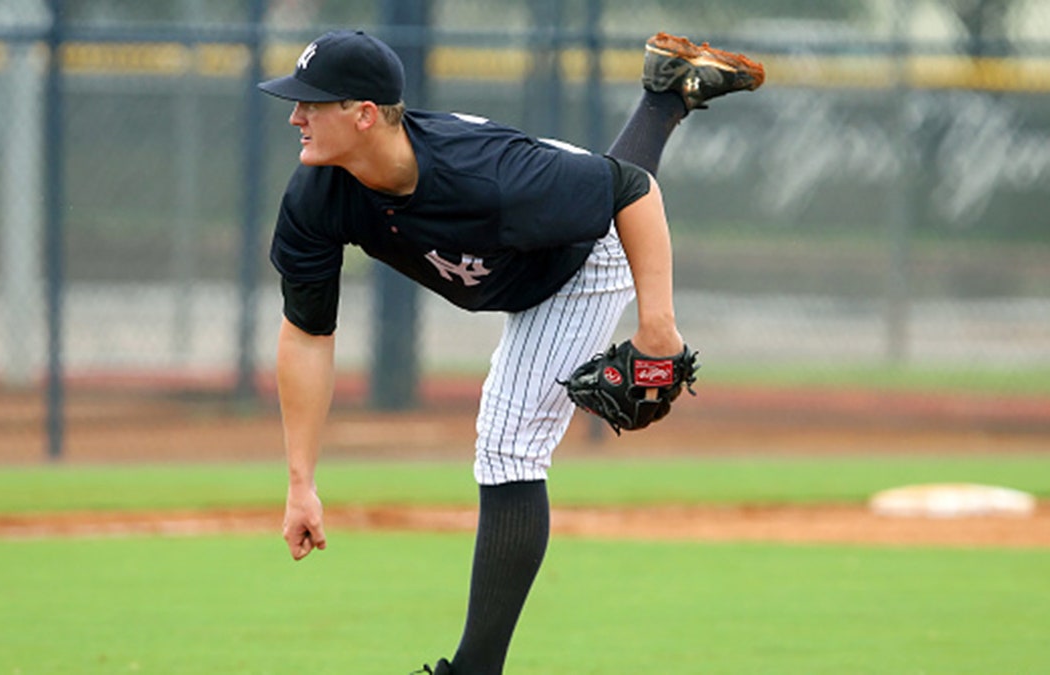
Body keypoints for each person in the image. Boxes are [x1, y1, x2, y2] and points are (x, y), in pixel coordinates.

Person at [257, 29, 764, 674]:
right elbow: (306, 335)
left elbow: (630, 190)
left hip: (577, 263)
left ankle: (476, 670)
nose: (296, 115)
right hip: (538, 231)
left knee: (508, 444)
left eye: (311, 103)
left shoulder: (487, 178)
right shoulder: (316, 196)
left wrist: (657, 331)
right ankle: (666, 96)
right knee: (512, 425)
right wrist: (301, 482)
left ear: (363, 116)